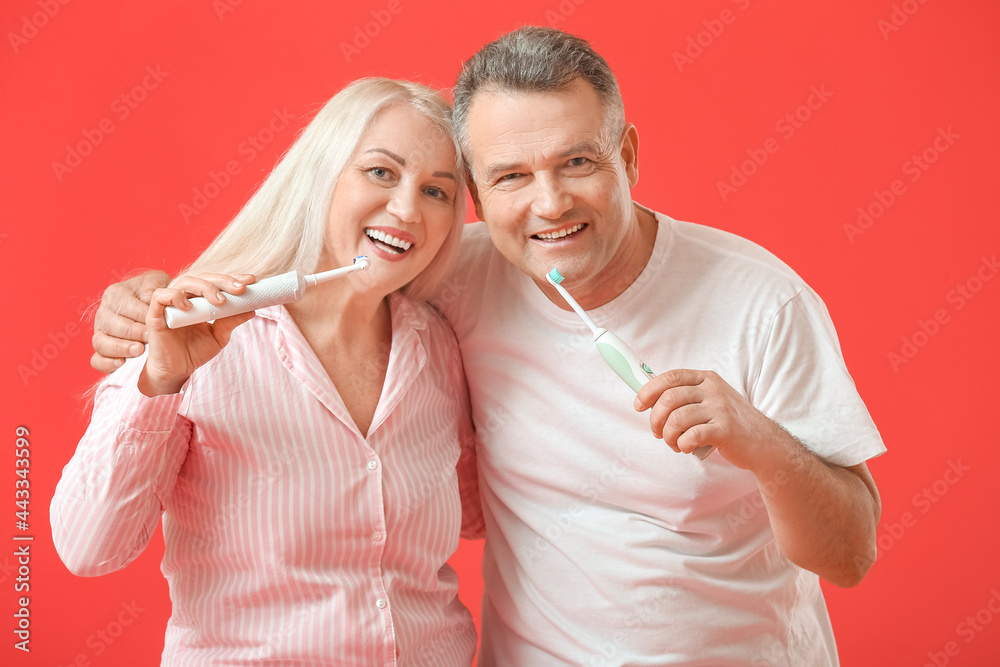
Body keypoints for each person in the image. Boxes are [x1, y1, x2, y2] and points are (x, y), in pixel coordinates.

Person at [88, 27, 885, 666]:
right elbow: (310, 272)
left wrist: (757, 441)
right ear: (478, 195)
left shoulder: (762, 301)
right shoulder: (456, 276)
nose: (549, 204)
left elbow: (849, 554)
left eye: (578, 162)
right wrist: (142, 303)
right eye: (509, 177)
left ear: (629, 157)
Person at [51, 78, 482, 665]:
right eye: (381, 172)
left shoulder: (437, 346)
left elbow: (477, 510)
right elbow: (88, 548)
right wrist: (156, 385)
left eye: (437, 190)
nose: (407, 209)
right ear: (321, 173)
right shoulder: (191, 334)